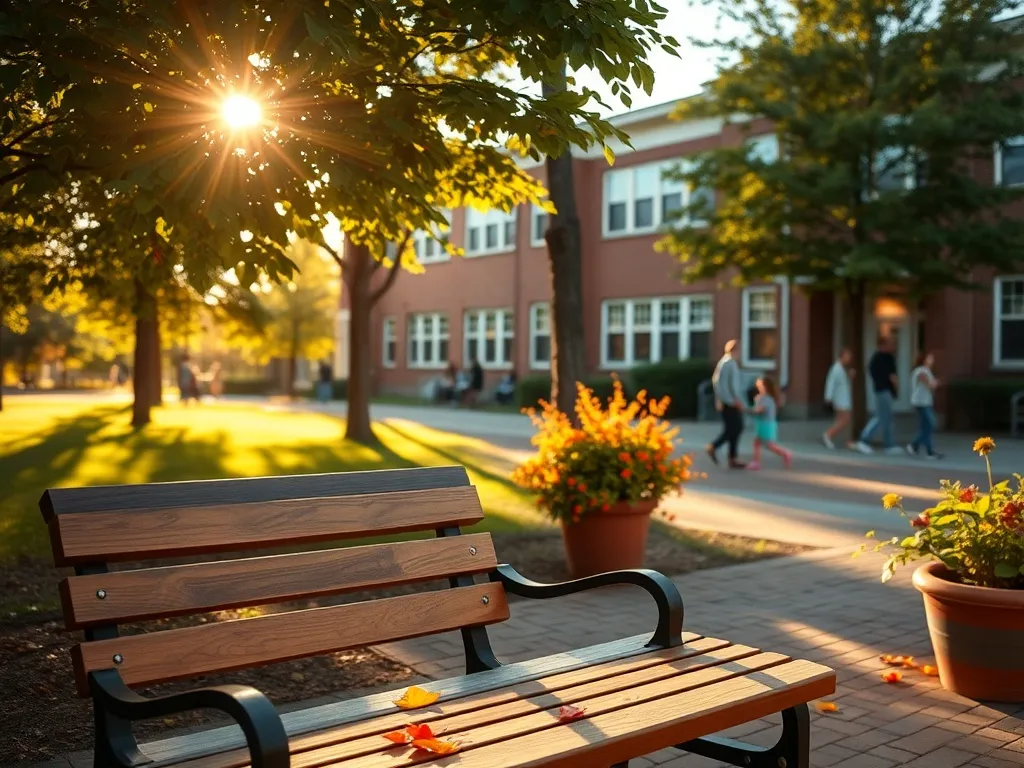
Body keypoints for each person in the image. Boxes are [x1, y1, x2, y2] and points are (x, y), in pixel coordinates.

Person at [856, 337, 901, 454]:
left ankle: (888, 444)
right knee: (882, 418)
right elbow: (893, 377)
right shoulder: (888, 358)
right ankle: (864, 440)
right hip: (885, 391)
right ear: (883, 345)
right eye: (891, 344)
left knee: (884, 418)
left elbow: (871, 371)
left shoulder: (875, 358)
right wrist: (897, 390)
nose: (893, 346)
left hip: (879, 390)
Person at [707, 339, 746, 469]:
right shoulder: (728, 363)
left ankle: (732, 457)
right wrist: (732, 400)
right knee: (734, 428)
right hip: (729, 403)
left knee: (735, 428)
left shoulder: (728, 363)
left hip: (730, 401)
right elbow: (721, 384)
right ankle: (714, 447)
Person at [748, 376, 792, 470]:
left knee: (770, 445)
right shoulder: (761, 397)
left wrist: (749, 410)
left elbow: (760, 410)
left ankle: (785, 453)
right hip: (762, 423)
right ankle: (756, 462)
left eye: (760, 385)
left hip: (766, 425)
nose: (758, 387)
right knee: (757, 442)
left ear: (765, 386)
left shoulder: (767, 399)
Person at [908, 352, 942, 459]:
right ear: (924, 359)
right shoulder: (921, 370)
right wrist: (934, 383)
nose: (932, 360)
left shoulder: (926, 371)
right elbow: (928, 384)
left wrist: (934, 383)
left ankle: (918, 447)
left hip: (925, 402)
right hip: (921, 402)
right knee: (930, 424)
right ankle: (922, 448)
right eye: (930, 358)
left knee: (926, 427)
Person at [822, 348, 854, 449]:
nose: (849, 359)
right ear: (842, 356)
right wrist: (828, 397)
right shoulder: (836, 369)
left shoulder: (842, 368)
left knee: (842, 420)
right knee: (844, 420)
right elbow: (830, 382)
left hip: (843, 398)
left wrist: (850, 377)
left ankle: (847, 441)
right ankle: (828, 434)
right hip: (840, 399)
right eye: (847, 356)